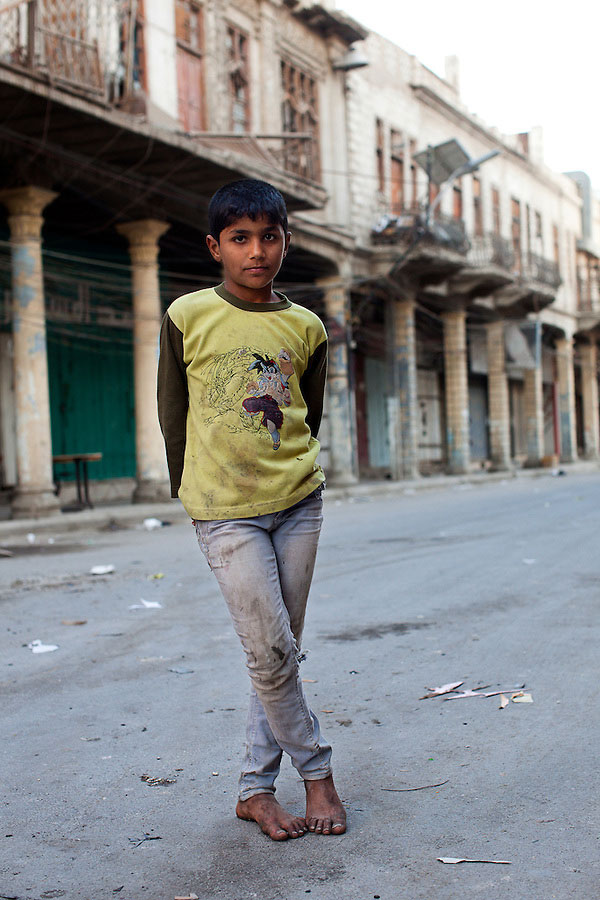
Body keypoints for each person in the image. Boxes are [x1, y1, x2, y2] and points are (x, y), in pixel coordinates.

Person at [157, 178, 345, 841]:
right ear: (216, 247)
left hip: (298, 504)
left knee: (280, 654)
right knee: (270, 652)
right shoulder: (187, 315)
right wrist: (193, 494)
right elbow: (172, 416)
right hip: (224, 511)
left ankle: (254, 791)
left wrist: (294, 469)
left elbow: (306, 414)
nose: (256, 251)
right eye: (240, 238)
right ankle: (317, 773)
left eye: (269, 236)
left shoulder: (306, 326)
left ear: (286, 241)